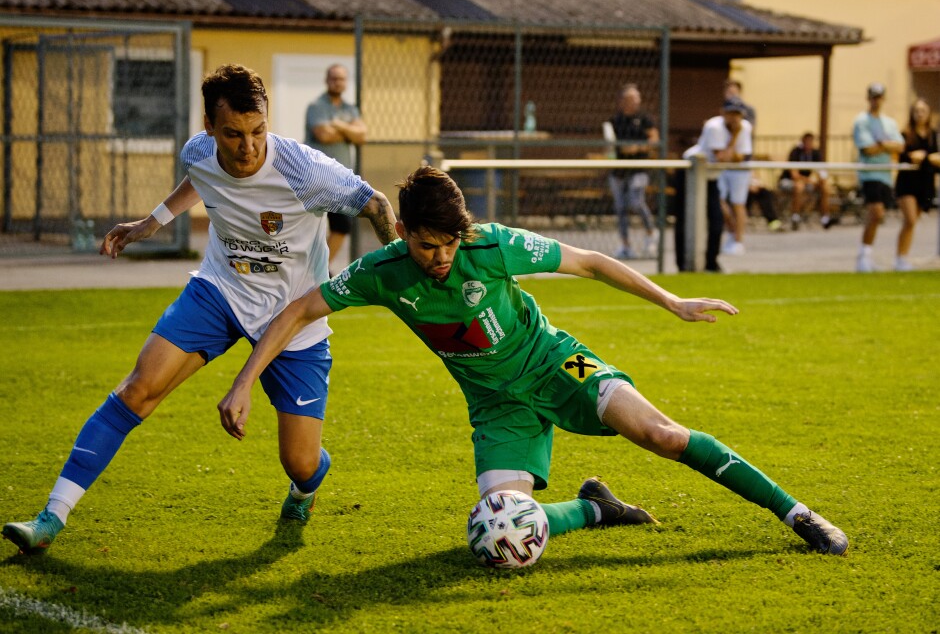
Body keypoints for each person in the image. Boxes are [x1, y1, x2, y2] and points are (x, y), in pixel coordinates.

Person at [222, 165, 849, 557]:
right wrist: (245, 379)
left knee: (661, 433)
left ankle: (797, 513)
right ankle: (594, 508)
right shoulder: (382, 274)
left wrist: (670, 299)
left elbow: (590, 262)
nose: (441, 257)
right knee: (500, 533)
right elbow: (301, 309)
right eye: (426, 244)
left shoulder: (491, 245)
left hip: (558, 363)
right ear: (403, 231)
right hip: (498, 409)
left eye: (449, 243)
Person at [2, 64, 398, 554]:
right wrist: (152, 221)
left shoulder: (306, 170)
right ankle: (50, 518)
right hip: (220, 291)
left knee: (300, 462)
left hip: (293, 317)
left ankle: (305, 486)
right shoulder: (199, 150)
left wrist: (400, 268)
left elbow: (377, 204)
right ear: (210, 126)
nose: (248, 147)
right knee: (137, 390)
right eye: (233, 134)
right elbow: (200, 178)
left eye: (258, 131)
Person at [306, 63, 369, 267]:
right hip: (315, 177)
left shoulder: (350, 109)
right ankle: (307, 270)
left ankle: (320, 268)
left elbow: (362, 136)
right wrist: (349, 130)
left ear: (346, 82)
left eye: (341, 78)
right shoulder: (316, 106)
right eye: (333, 78)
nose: (337, 82)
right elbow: (323, 135)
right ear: (327, 80)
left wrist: (338, 125)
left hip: (341, 180)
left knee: (342, 227)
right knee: (310, 227)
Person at [691, 97, 753, 271]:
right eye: (731, 113)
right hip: (698, 172)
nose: (734, 118)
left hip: (720, 171)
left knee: (735, 205)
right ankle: (698, 262)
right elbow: (723, 157)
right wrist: (733, 138)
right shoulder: (714, 126)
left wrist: (732, 154)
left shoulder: (745, 127)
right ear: (722, 113)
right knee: (715, 211)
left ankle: (735, 242)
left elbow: (744, 156)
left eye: (738, 114)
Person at [603, 83, 659, 259]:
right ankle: (625, 245)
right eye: (631, 99)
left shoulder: (644, 119)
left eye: (637, 98)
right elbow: (609, 145)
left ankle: (651, 233)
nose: (635, 102)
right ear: (623, 101)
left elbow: (654, 140)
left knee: (636, 201)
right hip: (618, 170)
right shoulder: (614, 121)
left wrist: (636, 148)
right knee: (620, 208)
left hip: (639, 169)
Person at [852, 83, 904, 273]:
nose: (876, 100)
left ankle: (867, 253)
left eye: (879, 97)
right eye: (873, 97)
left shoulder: (889, 123)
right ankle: (863, 255)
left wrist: (882, 145)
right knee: (876, 212)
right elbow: (868, 149)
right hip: (869, 174)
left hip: (885, 174)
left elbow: (899, 146)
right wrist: (885, 146)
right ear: (868, 98)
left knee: (877, 216)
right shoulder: (861, 121)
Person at [894, 98, 940, 271]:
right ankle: (900, 257)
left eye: (923, 111)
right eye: (917, 110)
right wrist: (921, 156)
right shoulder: (906, 134)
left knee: (914, 221)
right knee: (910, 219)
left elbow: (935, 157)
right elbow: (905, 156)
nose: (920, 114)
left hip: (924, 181)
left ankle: (903, 256)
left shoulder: (932, 134)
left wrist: (925, 157)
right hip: (907, 182)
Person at [779, 132, 833, 230]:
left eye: (811, 142)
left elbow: (821, 171)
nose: (809, 144)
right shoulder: (795, 152)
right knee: (799, 187)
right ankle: (795, 217)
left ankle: (825, 218)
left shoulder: (815, 153)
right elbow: (794, 175)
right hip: (788, 180)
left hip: (806, 182)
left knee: (825, 188)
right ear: (802, 142)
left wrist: (821, 180)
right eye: (806, 141)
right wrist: (810, 181)